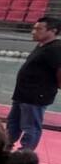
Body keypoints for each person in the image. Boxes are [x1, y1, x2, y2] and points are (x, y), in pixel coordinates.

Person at [6, 16, 61, 151]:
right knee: (13, 122)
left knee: (30, 126)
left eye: (38, 29)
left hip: (35, 96)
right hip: (22, 94)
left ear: (53, 31)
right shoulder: (42, 45)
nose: (33, 32)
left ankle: (26, 152)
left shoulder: (55, 49)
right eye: (34, 28)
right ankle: (6, 145)